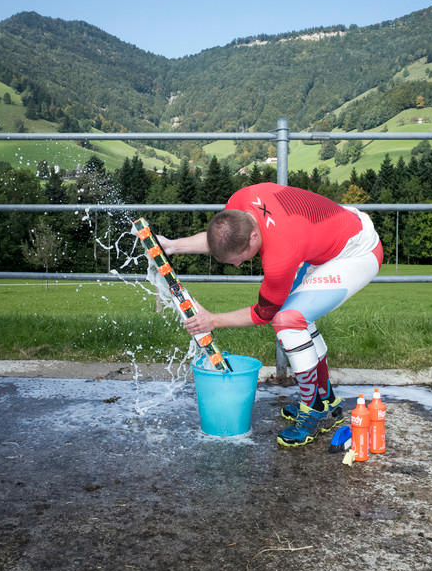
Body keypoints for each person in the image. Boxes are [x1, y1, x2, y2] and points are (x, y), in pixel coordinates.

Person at [157, 182, 383, 447]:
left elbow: (263, 313)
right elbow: (219, 237)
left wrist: (213, 320)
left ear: (253, 237)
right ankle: (327, 399)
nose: (238, 264)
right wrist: (171, 246)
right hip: (331, 235)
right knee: (299, 316)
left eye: (239, 258)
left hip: (356, 253)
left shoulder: (279, 256)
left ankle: (314, 412)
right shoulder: (239, 203)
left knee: (288, 320)